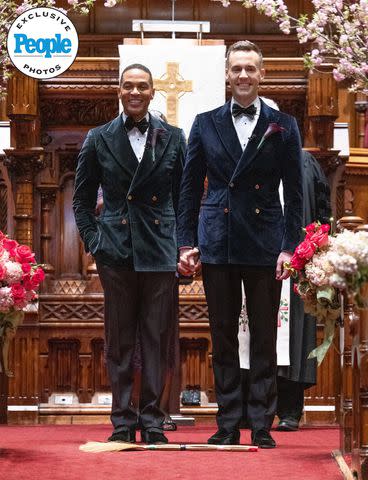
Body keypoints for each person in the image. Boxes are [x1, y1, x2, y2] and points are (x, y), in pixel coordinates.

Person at [177, 40, 303, 449]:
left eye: (251, 68)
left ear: (262, 74)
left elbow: (295, 192)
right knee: (223, 336)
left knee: (265, 336)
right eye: (236, 69)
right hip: (218, 239)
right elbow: (190, 187)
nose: (244, 75)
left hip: (266, 240)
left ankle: (262, 423)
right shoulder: (205, 122)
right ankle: (228, 421)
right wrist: (186, 242)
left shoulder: (284, 124)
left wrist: (290, 246)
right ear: (227, 75)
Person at [73, 63, 185, 445]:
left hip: (159, 251)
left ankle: (153, 420)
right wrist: (95, 242)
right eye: (128, 86)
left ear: (153, 92)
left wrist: (180, 242)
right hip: (116, 252)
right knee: (119, 340)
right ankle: (122, 420)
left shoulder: (174, 136)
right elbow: (82, 201)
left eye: (142, 86)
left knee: (155, 338)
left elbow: (184, 200)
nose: (135, 92)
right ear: (119, 91)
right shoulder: (98, 137)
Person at [276, 149, 331, 431]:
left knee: (294, 336)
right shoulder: (246, 158)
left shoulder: (304, 161)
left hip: (297, 261)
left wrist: (316, 252)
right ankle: (255, 408)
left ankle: (289, 410)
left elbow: (322, 213)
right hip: (256, 261)